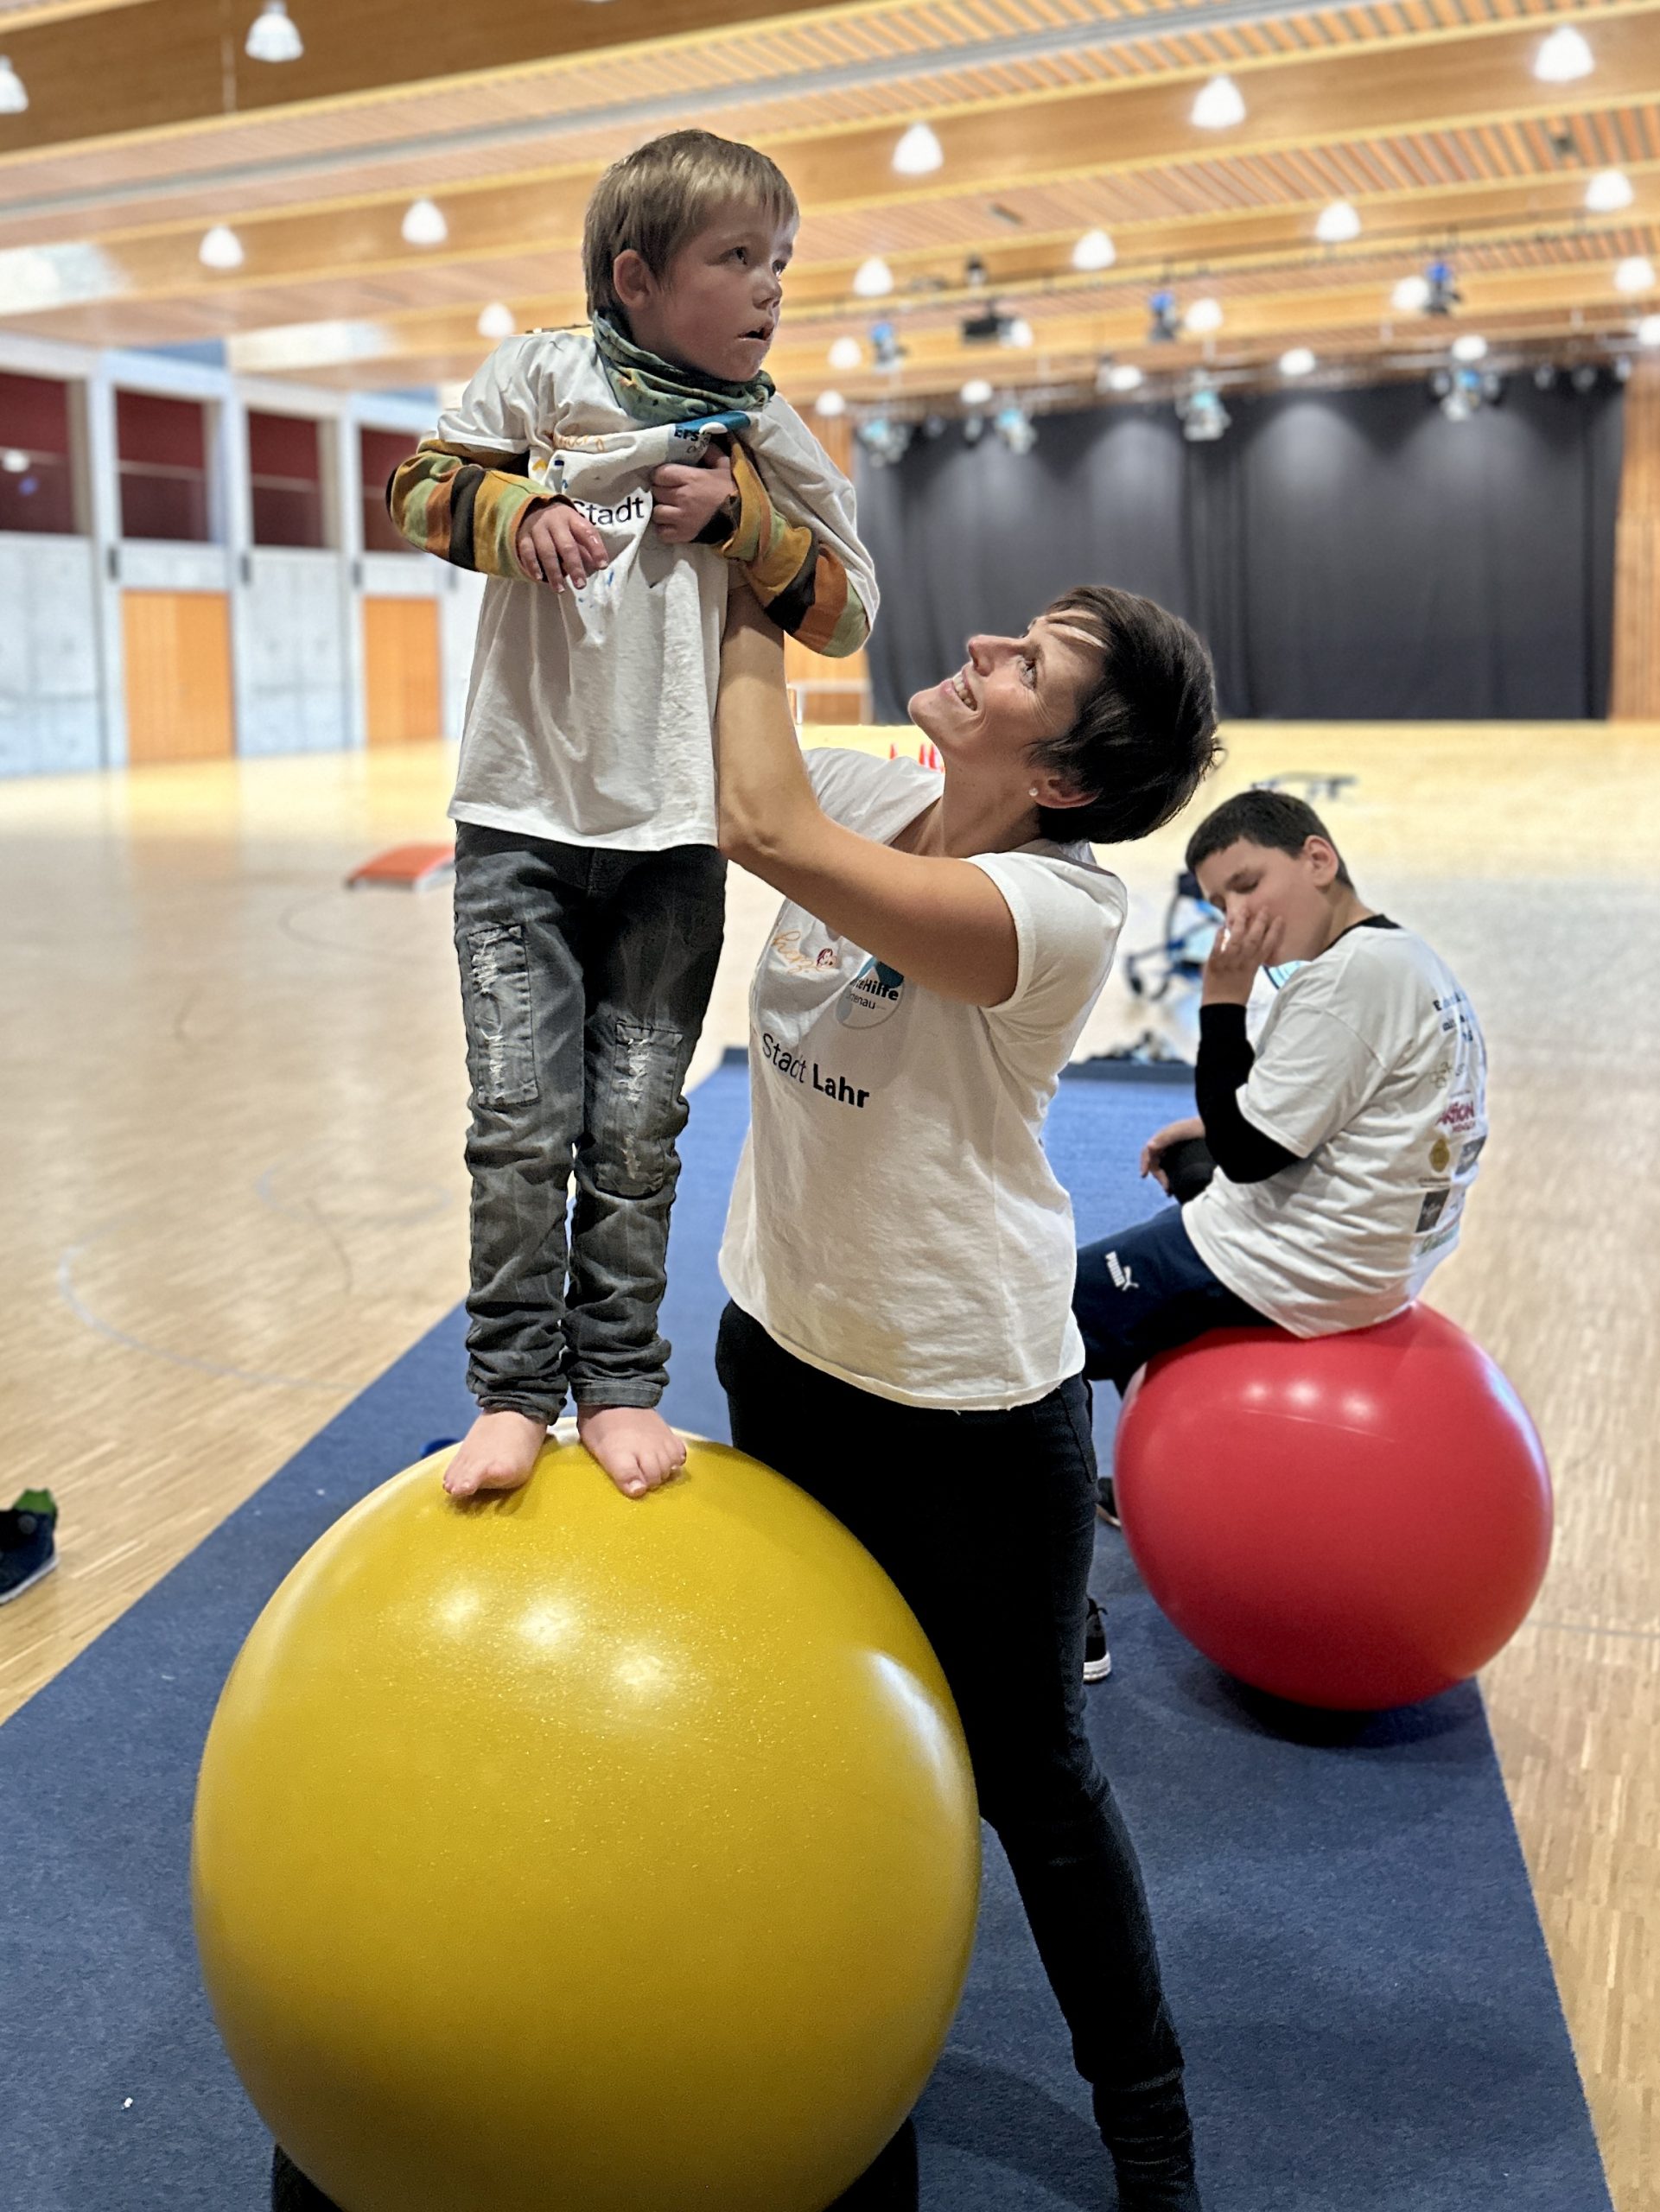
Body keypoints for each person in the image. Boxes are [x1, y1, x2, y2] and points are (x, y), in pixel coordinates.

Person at [710, 581, 1220, 2211]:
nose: (988, 648)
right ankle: (831, 2057)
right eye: (1016, 631)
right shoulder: (884, 793)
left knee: (1035, 1784)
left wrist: (750, 575)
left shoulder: (1053, 907)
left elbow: (758, 821)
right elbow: (740, 780)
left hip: (965, 1410)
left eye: (1033, 665)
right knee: (812, 1744)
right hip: (779, 1345)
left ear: (1063, 774)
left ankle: (1149, 2125)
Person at [385, 128, 876, 1507]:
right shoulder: (542, 374)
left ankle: (616, 1385)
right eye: (739, 259)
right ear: (638, 277)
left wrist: (740, 524)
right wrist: (514, 509)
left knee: (635, 1129)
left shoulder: (764, 433)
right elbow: (416, 486)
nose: (772, 284)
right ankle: (507, 1391)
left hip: (669, 845)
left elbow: (848, 611)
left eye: (781, 259)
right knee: (521, 1120)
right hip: (516, 830)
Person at [1075, 786, 1489, 1517]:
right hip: (1386, 1255)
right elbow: (1326, 1103)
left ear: (1317, 860)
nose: (1236, 917)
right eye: (1217, 904)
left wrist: (1222, 1000)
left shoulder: (1345, 982)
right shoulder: (1401, 959)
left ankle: (1061, 1512)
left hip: (1305, 1263)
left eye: (1247, 885)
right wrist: (1205, 1134)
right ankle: (1157, 1399)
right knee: (1188, 1162)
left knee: (1051, 1307)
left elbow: (1248, 1157)